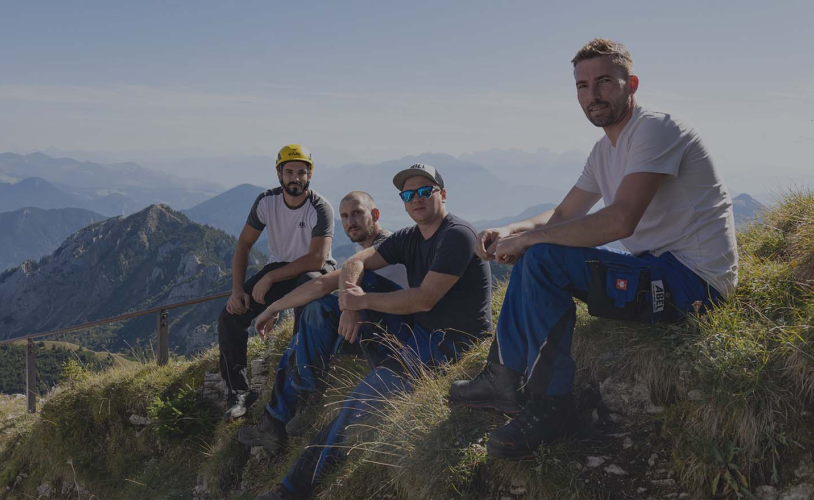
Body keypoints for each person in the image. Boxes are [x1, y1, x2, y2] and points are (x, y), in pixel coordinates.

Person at [449, 38, 739, 459]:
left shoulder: (656, 129)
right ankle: (502, 377)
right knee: (538, 253)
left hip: (694, 285)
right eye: (582, 86)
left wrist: (531, 240)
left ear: (631, 84)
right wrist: (510, 229)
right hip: (655, 269)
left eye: (604, 81)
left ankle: (552, 405)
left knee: (542, 255)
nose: (593, 95)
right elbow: (565, 212)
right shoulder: (603, 150)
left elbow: (621, 219)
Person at [245, 164, 492, 500]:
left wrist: (360, 301)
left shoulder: (457, 235)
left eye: (425, 191)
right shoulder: (410, 237)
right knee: (328, 322)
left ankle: (294, 490)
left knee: (357, 404)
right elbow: (352, 264)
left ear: (442, 194)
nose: (416, 199)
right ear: (402, 202)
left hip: (451, 344)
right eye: (408, 194)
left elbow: (424, 299)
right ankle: (296, 450)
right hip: (421, 337)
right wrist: (283, 307)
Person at [249, 191, 408, 434]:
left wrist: (347, 307)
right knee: (300, 340)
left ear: (375, 215)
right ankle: (276, 421)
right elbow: (321, 284)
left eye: (357, 213)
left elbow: (326, 287)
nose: (349, 222)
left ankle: (302, 405)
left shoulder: (387, 248)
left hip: (393, 337)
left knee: (314, 315)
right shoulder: (362, 258)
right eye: (344, 216)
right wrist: (272, 309)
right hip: (373, 328)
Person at [218, 144, 336, 421]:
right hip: (280, 267)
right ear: (279, 173)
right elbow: (244, 244)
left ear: (310, 175)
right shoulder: (266, 202)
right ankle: (238, 393)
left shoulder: (320, 207)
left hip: (312, 271)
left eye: (301, 172)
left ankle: (300, 384)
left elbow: (316, 260)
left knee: (306, 304)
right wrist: (237, 291)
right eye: (289, 172)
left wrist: (270, 279)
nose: (295, 178)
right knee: (229, 317)